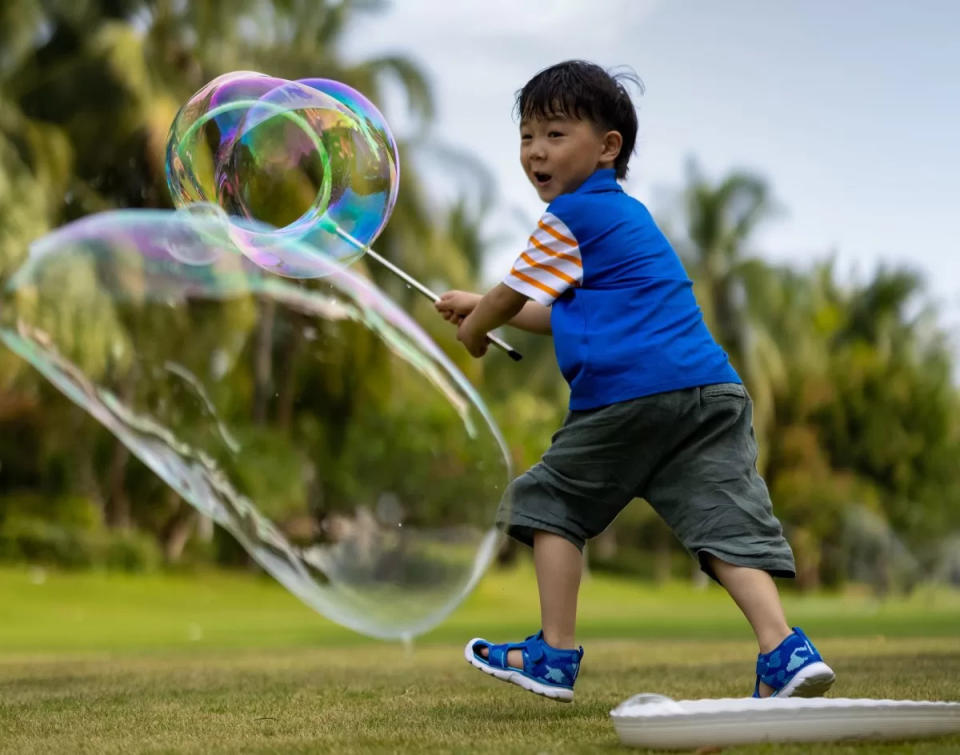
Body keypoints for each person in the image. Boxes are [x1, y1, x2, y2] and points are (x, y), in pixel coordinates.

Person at [434, 60, 835, 703]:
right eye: (527, 135)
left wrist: (477, 327)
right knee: (722, 523)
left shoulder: (572, 216)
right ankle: (783, 649)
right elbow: (560, 313)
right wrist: (477, 302)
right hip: (709, 394)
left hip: (630, 398)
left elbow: (510, 296)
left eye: (556, 134)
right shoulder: (624, 218)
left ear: (607, 148)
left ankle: (554, 656)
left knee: (550, 504)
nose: (536, 150)